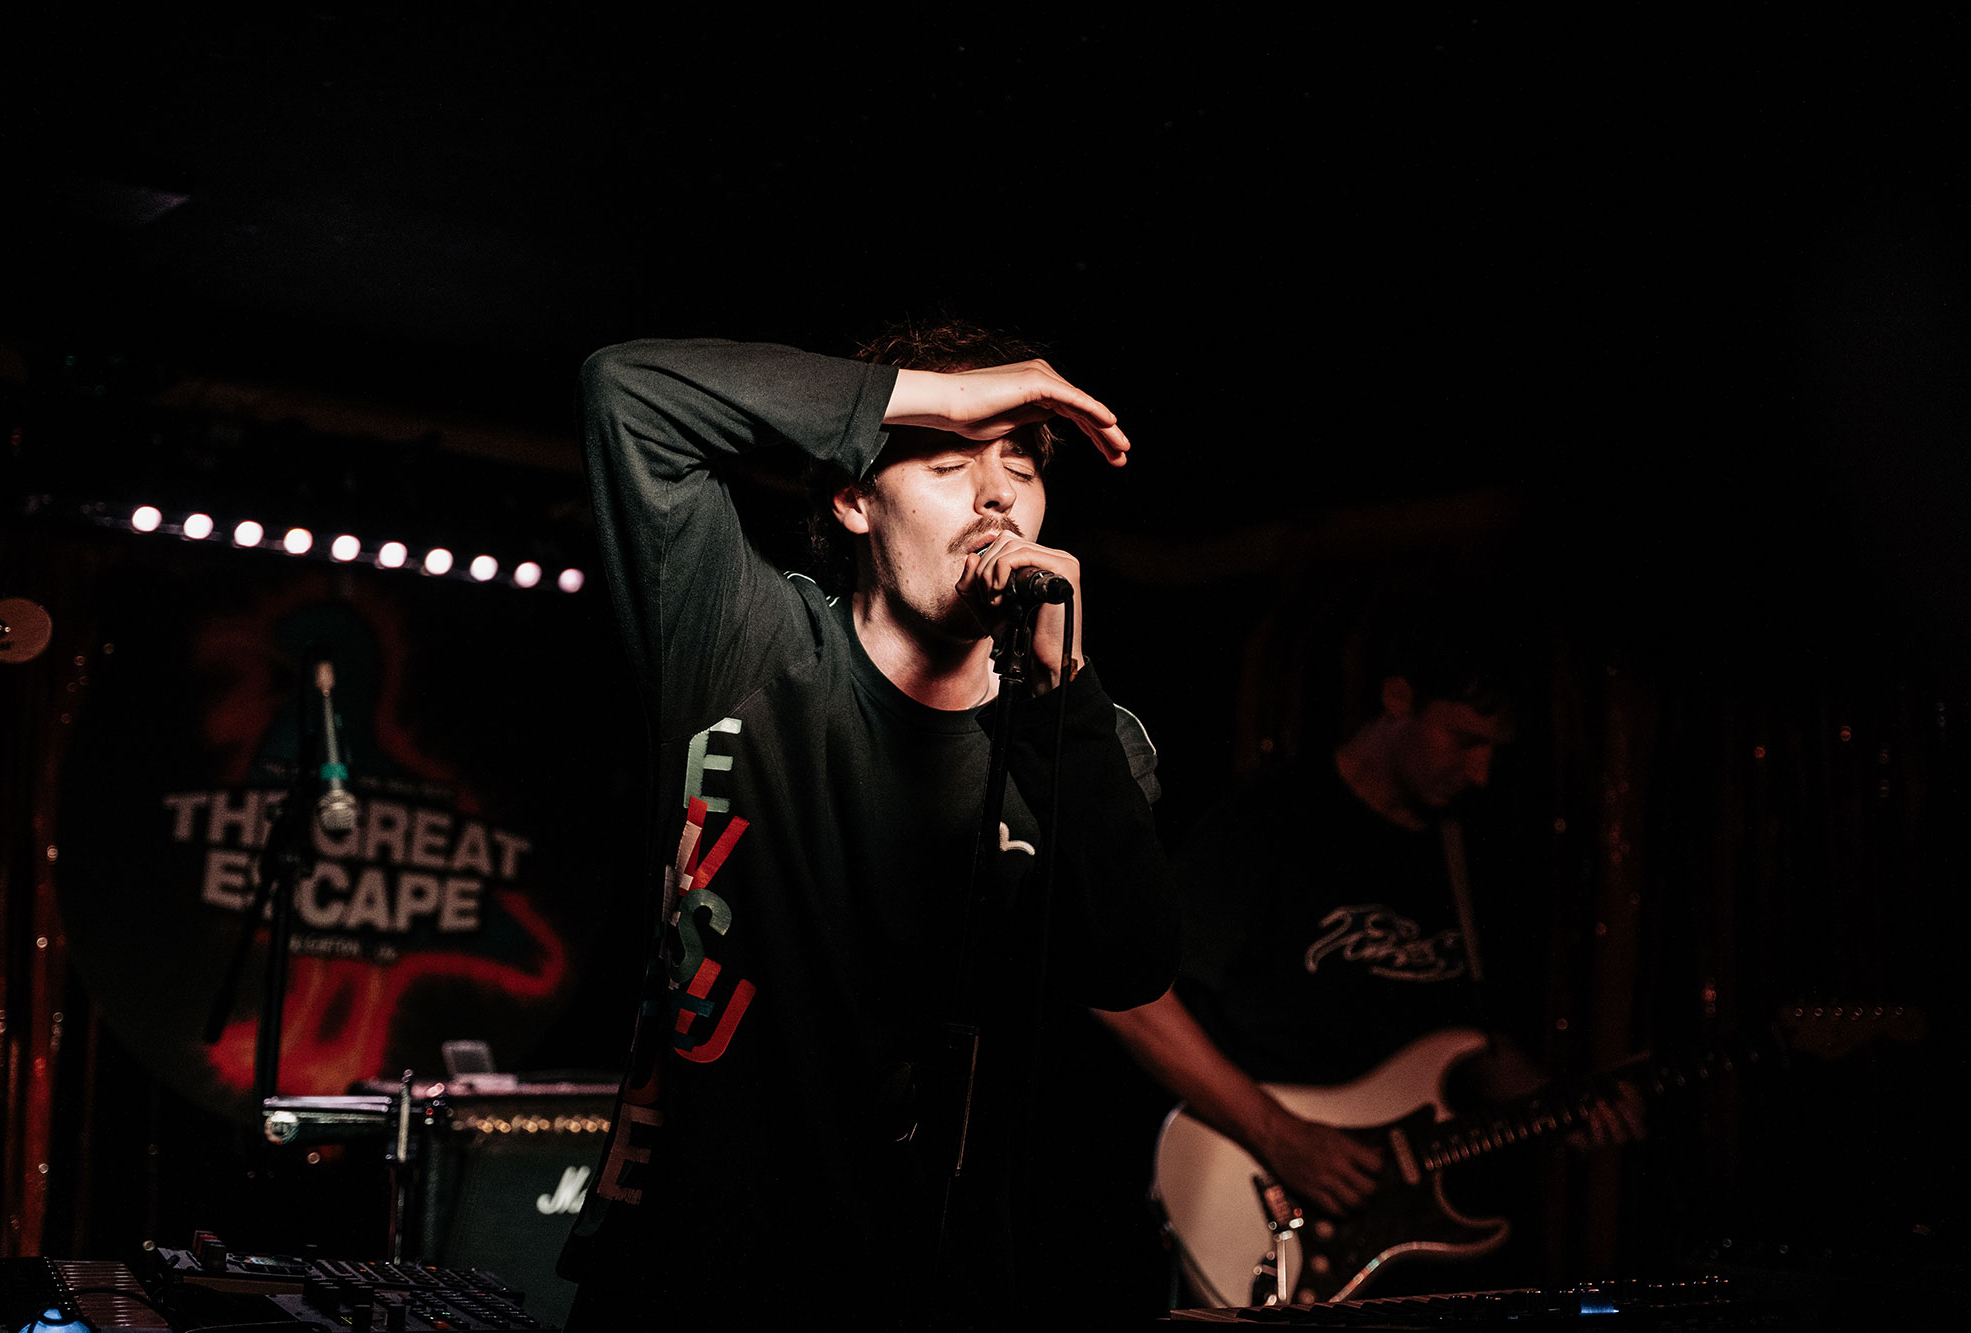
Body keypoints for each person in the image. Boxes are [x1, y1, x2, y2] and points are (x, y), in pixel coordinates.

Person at [557, 324, 1178, 1330]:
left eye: (1021, 470)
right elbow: (625, 389)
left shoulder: (1084, 738)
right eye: (949, 462)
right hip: (686, 1279)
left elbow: (1128, 964)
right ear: (853, 500)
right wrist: (944, 393)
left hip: (928, 1291)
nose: (996, 496)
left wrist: (1057, 694)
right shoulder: (746, 646)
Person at [1097, 605, 1640, 1306]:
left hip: (1413, 1248)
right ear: (1398, 698)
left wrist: (1558, 1105)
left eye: (1495, 750)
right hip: (1266, 1193)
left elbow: (1477, 1042)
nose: (1481, 772)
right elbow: (1124, 992)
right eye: (1464, 740)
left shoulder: (1470, 853)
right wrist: (1280, 1135)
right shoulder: (1270, 822)